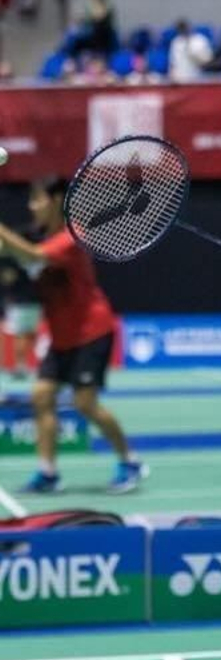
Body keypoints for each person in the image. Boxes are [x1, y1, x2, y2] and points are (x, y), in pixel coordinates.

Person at [0, 176, 145, 493]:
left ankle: (130, 461)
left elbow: (34, 257)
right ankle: (48, 473)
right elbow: (15, 250)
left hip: (91, 331)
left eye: (37, 200)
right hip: (61, 335)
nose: (31, 206)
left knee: (85, 403)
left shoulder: (73, 235)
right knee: (41, 396)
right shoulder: (40, 235)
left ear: (56, 201)